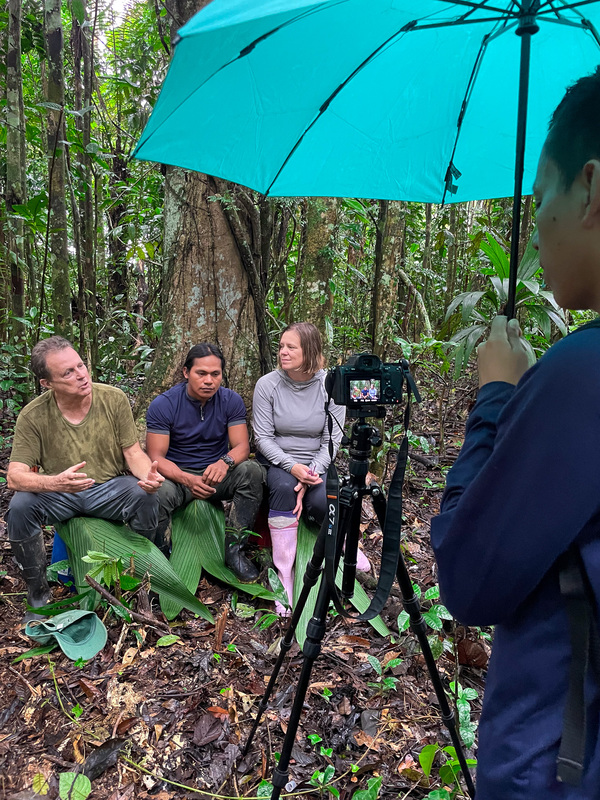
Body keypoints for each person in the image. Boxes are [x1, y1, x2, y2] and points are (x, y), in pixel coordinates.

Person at [430, 67, 600, 799]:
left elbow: (468, 577)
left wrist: (498, 394)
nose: (535, 225)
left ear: (591, 189)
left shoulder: (580, 377)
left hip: (558, 765)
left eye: (541, 200)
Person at [7, 336, 164, 621]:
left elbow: (132, 452)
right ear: (47, 383)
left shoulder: (113, 398)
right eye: (68, 372)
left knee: (145, 495)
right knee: (20, 507)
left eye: (80, 365)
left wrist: (148, 475)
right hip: (60, 494)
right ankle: (38, 595)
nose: (81, 375)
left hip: (108, 488)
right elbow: (15, 477)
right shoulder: (33, 416)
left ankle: (140, 580)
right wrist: (54, 483)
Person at [252, 322, 369, 616]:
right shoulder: (268, 385)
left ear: (311, 350)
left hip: (317, 461)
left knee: (322, 501)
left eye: (291, 347)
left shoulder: (331, 385)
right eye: (281, 346)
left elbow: (333, 438)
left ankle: (343, 544)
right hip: (279, 459)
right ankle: (284, 576)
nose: (283, 352)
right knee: (281, 489)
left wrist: (311, 473)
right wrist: (293, 469)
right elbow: (263, 438)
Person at [146, 343, 264, 582]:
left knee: (252, 471)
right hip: (178, 477)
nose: (209, 380)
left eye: (215, 374)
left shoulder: (230, 401)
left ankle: (235, 551)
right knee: (157, 491)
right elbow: (156, 457)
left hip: (216, 476)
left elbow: (242, 446)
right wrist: (186, 479)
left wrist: (225, 462)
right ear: (186, 372)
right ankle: (160, 559)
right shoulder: (164, 404)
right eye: (201, 373)